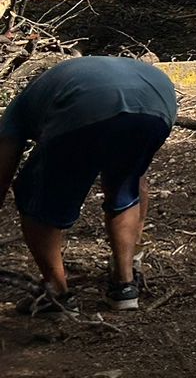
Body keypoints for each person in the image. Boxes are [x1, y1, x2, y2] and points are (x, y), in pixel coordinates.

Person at [0, 55, 177, 314]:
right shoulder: (55, 84)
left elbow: (3, 171)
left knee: (33, 194)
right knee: (127, 183)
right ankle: (125, 283)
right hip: (157, 100)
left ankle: (56, 292)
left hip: (87, 104)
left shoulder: (17, 112)